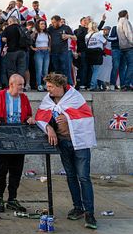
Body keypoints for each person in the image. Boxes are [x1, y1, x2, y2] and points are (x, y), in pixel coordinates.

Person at [35, 73, 97, 230]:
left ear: (59, 86)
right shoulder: (48, 99)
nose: (47, 90)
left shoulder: (75, 97)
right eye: (47, 86)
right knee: (70, 176)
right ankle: (78, 207)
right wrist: (49, 128)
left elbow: (87, 116)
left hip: (80, 144)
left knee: (83, 177)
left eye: (50, 87)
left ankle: (90, 213)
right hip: (63, 142)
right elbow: (40, 116)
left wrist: (67, 118)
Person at [0, 74, 35, 213]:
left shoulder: (24, 98)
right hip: (4, 139)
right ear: (11, 84)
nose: (22, 87)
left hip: (19, 139)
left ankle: (12, 198)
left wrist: (30, 119)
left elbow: (29, 114)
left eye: (23, 84)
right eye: (20, 84)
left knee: (17, 170)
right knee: (2, 169)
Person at [48, 15, 76, 84]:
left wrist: (68, 36)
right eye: (52, 22)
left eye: (54, 22)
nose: (53, 24)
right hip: (54, 52)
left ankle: (69, 85)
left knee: (66, 69)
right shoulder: (51, 28)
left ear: (59, 21)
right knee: (56, 70)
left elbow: (75, 38)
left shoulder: (66, 28)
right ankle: (59, 85)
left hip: (63, 52)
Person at [84, 22, 107, 91]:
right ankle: (93, 85)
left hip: (90, 54)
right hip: (97, 53)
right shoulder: (98, 34)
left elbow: (87, 45)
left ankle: (94, 85)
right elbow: (105, 42)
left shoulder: (87, 35)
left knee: (93, 70)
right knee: (96, 70)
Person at [32, 19, 51, 91]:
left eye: (44, 24)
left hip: (46, 52)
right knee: (39, 70)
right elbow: (29, 40)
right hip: (39, 52)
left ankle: (45, 84)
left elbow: (50, 41)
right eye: (41, 24)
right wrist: (33, 48)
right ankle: (39, 85)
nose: (43, 25)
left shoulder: (47, 34)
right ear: (38, 25)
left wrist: (49, 48)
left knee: (45, 70)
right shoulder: (35, 33)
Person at [116, 10, 133, 91]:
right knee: (131, 65)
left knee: (124, 66)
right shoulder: (125, 21)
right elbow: (129, 34)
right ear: (126, 14)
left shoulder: (119, 22)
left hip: (122, 47)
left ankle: (125, 84)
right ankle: (127, 83)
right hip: (128, 46)